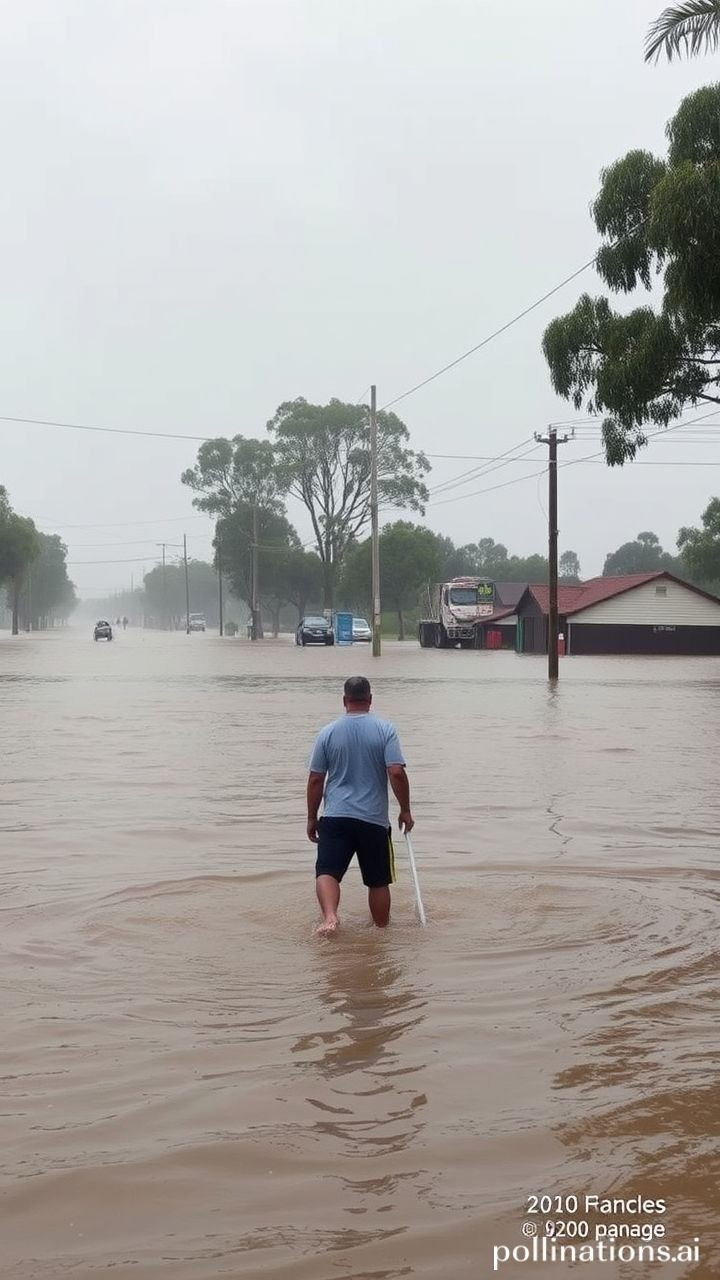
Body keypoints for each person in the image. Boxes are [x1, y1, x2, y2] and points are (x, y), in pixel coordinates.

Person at [306, 675, 414, 935]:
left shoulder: (327, 732)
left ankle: (330, 918)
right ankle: (381, 932)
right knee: (378, 881)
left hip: (335, 817)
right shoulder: (385, 729)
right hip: (373, 820)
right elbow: (396, 772)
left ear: (345, 700)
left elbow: (316, 779)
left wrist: (311, 817)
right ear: (370, 699)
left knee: (327, 872)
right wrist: (405, 810)